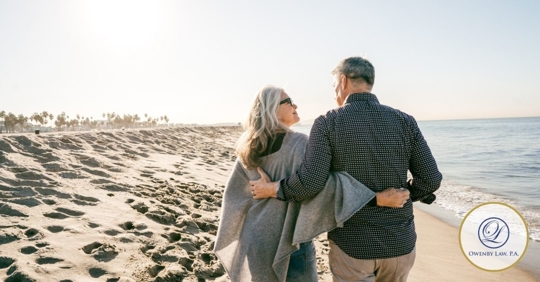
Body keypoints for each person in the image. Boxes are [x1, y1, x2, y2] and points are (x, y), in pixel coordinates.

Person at [251, 57, 443, 282]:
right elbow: (431, 179)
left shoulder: (327, 122)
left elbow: (311, 183)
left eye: (334, 86)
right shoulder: (405, 120)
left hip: (353, 244)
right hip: (399, 243)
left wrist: (274, 189)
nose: (334, 93)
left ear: (343, 81)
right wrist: (407, 194)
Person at [214, 85, 407, 282]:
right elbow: (324, 186)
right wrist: (375, 198)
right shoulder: (300, 143)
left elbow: (234, 196)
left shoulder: (248, 146)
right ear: (271, 109)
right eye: (288, 102)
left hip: (255, 239)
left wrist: (265, 193)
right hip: (290, 242)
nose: (295, 105)